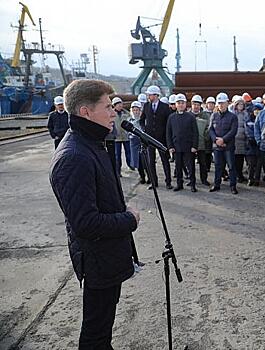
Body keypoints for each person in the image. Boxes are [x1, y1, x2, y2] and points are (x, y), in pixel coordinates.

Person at [49, 79, 140, 349]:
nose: (113, 112)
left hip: (108, 255)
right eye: (107, 106)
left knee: (102, 328)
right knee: (95, 334)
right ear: (85, 112)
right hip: (97, 258)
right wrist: (130, 220)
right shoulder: (74, 156)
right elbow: (85, 224)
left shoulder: (92, 143)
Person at [140, 85, 173, 190]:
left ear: (156, 95)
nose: (148, 96)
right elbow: (142, 120)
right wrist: (144, 129)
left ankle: (168, 182)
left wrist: (167, 136)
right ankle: (154, 182)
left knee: (165, 160)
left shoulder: (165, 107)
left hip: (162, 139)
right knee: (151, 161)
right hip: (149, 138)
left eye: (150, 94)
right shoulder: (146, 106)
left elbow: (169, 123)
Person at [167, 94, 199, 192]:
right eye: (178, 103)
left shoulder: (191, 117)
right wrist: (170, 146)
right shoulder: (171, 117)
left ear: (185, 104)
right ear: (176, 104)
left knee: (191, 167)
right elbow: (168, 133)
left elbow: (195, 133)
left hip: (188, 147)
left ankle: (193, 185)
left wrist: (194, 146)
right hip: (177, 147)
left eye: (182, 103)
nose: (180, 105)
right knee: (178, 166)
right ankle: (179, 184)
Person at [208, 92, 238, 194]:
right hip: (217, 146)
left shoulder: (232, 117)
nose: (221, 105)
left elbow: (233, 131)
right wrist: (216, 140)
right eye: (219, 103)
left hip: (228, 146)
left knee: (231, 167)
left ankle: (233, 186)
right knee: (218, 166)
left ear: (227, 103)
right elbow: (210, 129)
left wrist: (223, 140)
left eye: (223, 103)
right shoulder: (214, 115)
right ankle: (217, 184)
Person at [190, 95, 211, 186]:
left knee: (203, 163)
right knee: (190, 163)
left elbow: (208, 128)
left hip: (202, 144)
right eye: (194, 104)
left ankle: (204, 179)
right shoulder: (188, 115)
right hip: (191, 144)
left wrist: (205, 138)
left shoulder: (205, 115)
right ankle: (192, 180)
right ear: (191, 104)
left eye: (198, 104)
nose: (196, 106)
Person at [112, 97, 132, 177]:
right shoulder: (112, 114)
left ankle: (130, 164)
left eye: (121, 104)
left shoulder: (126, 113)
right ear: (114, 105)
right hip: (117, 138)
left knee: (128, 152)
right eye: (118, 104)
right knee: (117, 155)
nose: (120, 106)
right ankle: (118, 170)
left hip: (126, 136)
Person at [128, 101, 147, 184]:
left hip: (142, 142)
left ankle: (150, 177)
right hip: (133, 142)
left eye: (137, 110)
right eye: (134, 110)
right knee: (137, 161)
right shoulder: (129, 120)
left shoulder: (143, 120)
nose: (136, 112)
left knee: (145, 161)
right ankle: (142, 176)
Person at [245, 103, 262, 186]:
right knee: (251, 164)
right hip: (251, 145)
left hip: (260, 145)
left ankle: (257, 179)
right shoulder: (249, 120)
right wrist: (254, 139)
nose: (257, 112)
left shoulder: (262, 120)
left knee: (259, 164)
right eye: (255, 110)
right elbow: (248, 131)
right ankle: (250, 178)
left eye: (259, 110)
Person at [232, 97, 248, 183]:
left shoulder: (246, 114)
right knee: (235, 159)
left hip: (243, 139)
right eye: (239, 104)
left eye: (242, 104)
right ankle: (236, 175)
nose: (240, 106)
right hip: (235, 139)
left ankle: (240, 175)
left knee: (241, 159)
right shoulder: (233, 114)